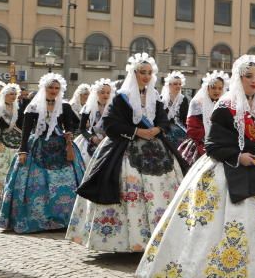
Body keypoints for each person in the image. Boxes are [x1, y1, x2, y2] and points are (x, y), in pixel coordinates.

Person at [136, 55, 255, 278]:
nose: (254, 81)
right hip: (230, 170)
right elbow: (213, 144)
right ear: (239, 78)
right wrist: (239, 157)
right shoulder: (225, 107)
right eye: (248, 76)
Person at [67, 54, 186, 253]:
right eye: (142, 72)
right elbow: (110, 125)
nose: (146, 76)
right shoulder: (121, 98)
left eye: (149, 73)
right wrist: (137, 132)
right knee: (118, 183)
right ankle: (123, 240)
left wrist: (157, 130)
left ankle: (159, 236)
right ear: (134, 73)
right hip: (125, 149)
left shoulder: (155, 97)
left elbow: (164, 121)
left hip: (156, 148)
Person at [0, 74, 85, 233]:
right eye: (51, 87)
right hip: (37, 146)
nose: (53, 91)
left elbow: (71, 125)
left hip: (61, 146)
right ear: (44, 88)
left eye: (57, 88)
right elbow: (25, 130)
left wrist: (69, 133)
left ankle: (65, 219)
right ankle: (37, 219)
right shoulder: (33, 106)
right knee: (36, 183)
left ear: (61, 90)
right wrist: (23, 151)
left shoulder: (64, 106)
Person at [179, 71, 228, 165]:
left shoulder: (224, 104)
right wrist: (210, 138)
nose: (217, 91)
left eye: (220, 88)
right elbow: (192, 128)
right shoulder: (197, 103)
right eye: (213, 88)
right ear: (207, 87)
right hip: (200, 142)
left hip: (221, 143)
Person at [0, 83, 23, 200]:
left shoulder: (17, 108)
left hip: (14, 140)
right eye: (10, 94)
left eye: (15, 94)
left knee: (11, 164)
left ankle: (9, 190)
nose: (13, 96)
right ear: (4, 95)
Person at [73, 78, 114, 162]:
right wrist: (92, 138)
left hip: (107, 141)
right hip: (89, 140)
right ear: (96, 93)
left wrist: (107, 136)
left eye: (108, 93)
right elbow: (82, 128)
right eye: (102, 92)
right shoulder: (88, 108)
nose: (105, 95)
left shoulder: (112, 109)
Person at [160, 71, 189, 153]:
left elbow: (185, 118)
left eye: (180, 84)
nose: (178, 86)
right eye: (175, 84)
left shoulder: (183, 99)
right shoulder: (162, 99)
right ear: (169, 85)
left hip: (179, 129)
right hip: (164, 128)